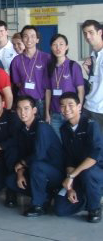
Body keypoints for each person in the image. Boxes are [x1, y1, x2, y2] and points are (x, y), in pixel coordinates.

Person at [5, 95, 64, 217]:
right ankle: (46, 196)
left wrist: (21, 163)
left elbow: (39, 155)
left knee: (36, 165)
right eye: (19, 109)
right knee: (11, 180)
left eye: (26, 108)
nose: (22, 112)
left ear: (35, 110)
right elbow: (23, 153)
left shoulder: (42, 126)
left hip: (54, 173)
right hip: (37, 171)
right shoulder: (23, 128)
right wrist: (20, 172)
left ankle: (38, 205)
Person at [54, 92, 103, 223]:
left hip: (96, 171)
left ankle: (95, 208)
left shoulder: (90, 124)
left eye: (70, 105)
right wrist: (69, 187)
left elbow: (93, 157)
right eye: (62, 106)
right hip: (77, 173)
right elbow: (68, 157)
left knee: (88, 173)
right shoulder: (64, 128)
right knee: (60, 209)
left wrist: (71, 177)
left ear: (79, 106)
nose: (66, 109)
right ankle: (87, 197)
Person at [45, 34, 84, 137]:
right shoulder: (50, 67)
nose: (58, 48)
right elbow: (48, 91)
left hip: (71, 113)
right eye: (55, 44)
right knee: (57, 142)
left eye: (61, 44)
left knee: (72, 141)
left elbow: (80, 90)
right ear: (51, 47)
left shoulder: (73, 66)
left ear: (66, 47)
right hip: (55, 114)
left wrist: (78, 111)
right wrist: (47, 112)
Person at [9, 25, 51, 116]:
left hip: (41, 102)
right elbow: (17, 82)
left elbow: (49, 84)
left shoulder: (46, 58)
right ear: (22, 39)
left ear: (37, 39)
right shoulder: (16, 60)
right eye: (25, 36)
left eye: (32, 36)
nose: (29, 39)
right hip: (23, 102)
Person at [82, 20, 103, 130]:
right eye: (85, 33)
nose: (88, 37)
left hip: (101, 111)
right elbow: (96, 81)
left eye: (91, 32)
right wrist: (87, 71)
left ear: (100, 33)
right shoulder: (93, 56)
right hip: (89, 107)